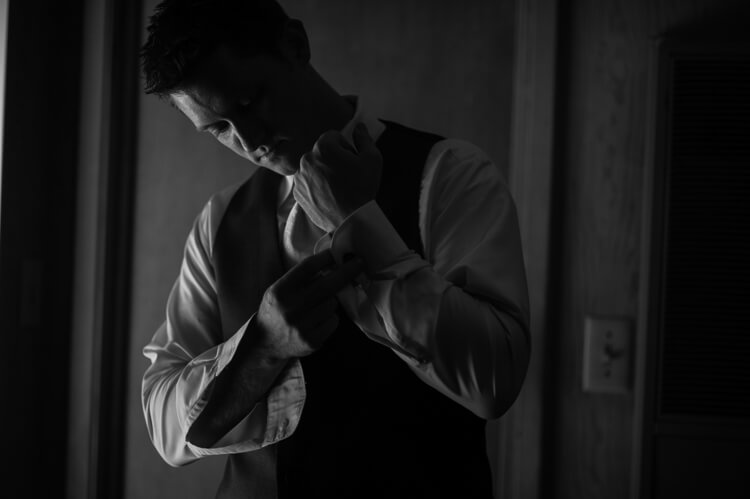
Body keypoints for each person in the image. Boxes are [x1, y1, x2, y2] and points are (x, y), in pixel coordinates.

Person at [140, 0, 530, 497]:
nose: (250, 140)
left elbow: (494, 383)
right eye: (218, 129)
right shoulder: (219, 221)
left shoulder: (449, 174)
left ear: (295, 46)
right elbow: (164, 425)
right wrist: (262, 345)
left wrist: (357, 221)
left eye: (251, 102)